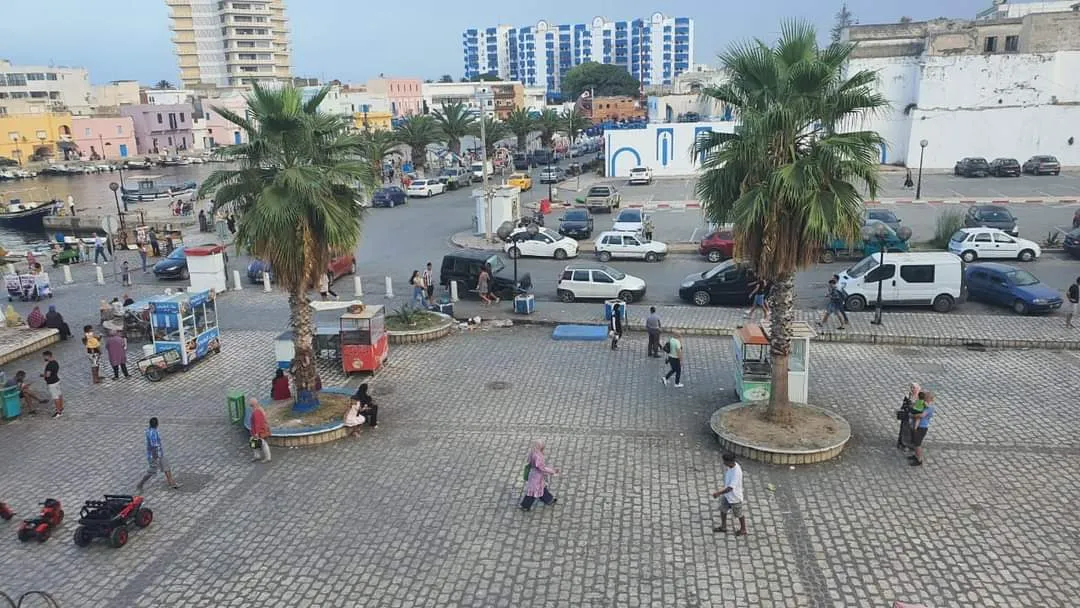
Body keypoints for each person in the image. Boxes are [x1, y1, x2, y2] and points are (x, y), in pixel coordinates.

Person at [137, 417, 181, 491]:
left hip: (160, 453)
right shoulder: (152, 433)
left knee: (166, 466)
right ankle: (141, 483)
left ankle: (171, 483)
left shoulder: (151, 430)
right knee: (152, 471)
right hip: (154, 455)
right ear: (157, 424)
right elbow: (154, 446)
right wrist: (156, 457)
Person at [711, 453, 748, 537]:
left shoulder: (736, 472)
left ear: (730, 462)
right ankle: (723, 526)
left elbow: (730, 488)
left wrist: (718, 493)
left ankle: (743, 529)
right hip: (727, 496)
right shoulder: (730, 466)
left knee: (739, 514)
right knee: (723, 509)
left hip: (735, 497)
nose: (724, 463)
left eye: (725, 462)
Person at [520, 440, 559, 511]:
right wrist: (552, 471)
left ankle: (549, 499)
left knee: (541, 488)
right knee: (533, 492)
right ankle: (525, 506)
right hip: (536, 477)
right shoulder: (538, 457)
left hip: (534, 474)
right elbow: (542, 468)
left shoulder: (533, 452)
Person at [909, 391, 935, 466]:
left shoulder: (930, 407)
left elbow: (922, 415)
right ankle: (916, 456)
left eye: (926, 397)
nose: (924, 398)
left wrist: (913, 415)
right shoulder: (924, 404)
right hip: (918, 426)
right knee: (915, 442)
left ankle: (919, 460)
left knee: (918, 444)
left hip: (922, 427)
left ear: (929, 398)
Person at [897, 382, 921, 449]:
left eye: (914, 388)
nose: (913, 389)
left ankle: (910, 444)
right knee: (904, 430)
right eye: (912, 388)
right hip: (906, 416)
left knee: (912, 431)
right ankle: (902, 443)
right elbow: (904, 405)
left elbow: (918, 410)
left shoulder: (919, 399)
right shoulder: (908, 396)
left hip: (914, 418)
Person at [248, 398, 272, 463]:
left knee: (263, 443)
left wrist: (257, 433)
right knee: (253, 442)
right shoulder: (258, 409)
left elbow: (258, 423)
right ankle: (257, 455)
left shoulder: (256, 412)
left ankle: (268, 457)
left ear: (253, 404)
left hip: (260, 431)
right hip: (258, 431)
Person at [40, 351, 63, 418]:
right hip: (57, 380)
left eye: (44, 356)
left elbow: (47, 375)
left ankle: (58, 412)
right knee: (59, 395)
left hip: (52, 383)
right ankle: (61, 407)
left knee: (55, 397)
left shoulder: (49, 365)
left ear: (47, 356)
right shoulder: (55, 362)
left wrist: (42, 375)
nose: (43, 358)